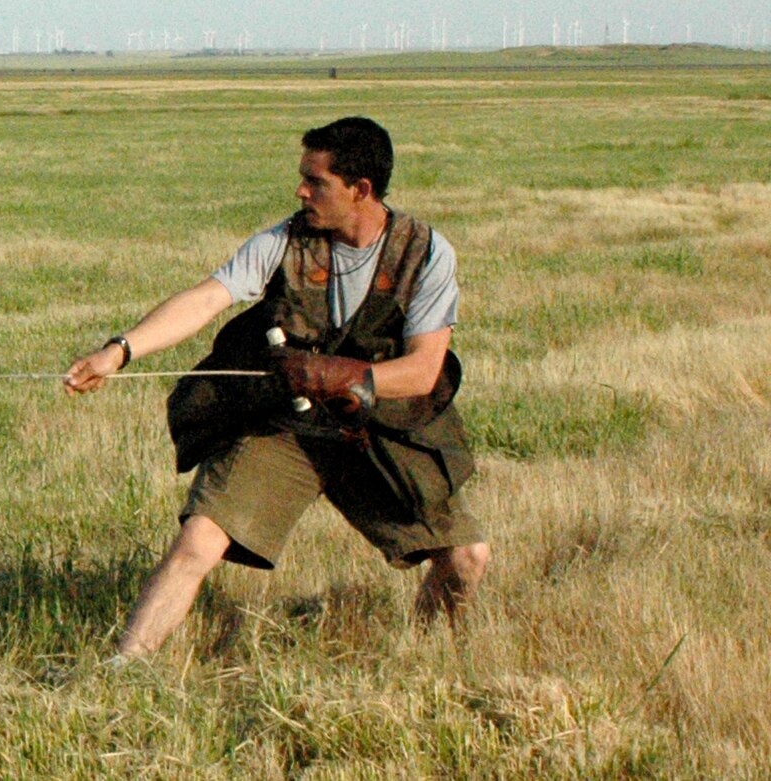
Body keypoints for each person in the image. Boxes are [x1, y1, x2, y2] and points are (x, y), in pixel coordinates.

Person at [63, 117, 488, 660]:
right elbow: (206, 299)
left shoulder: (426, 253)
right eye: (302, 178)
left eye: (316, 181)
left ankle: (425, 663)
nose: (300, 191)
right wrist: (118, 351)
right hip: (287, 425)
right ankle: (124, 665)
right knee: (198, 539)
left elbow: (424, 370)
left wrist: (349, 378)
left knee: (467, 557)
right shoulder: (285, 240)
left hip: (376, 429)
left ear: (360, 190)